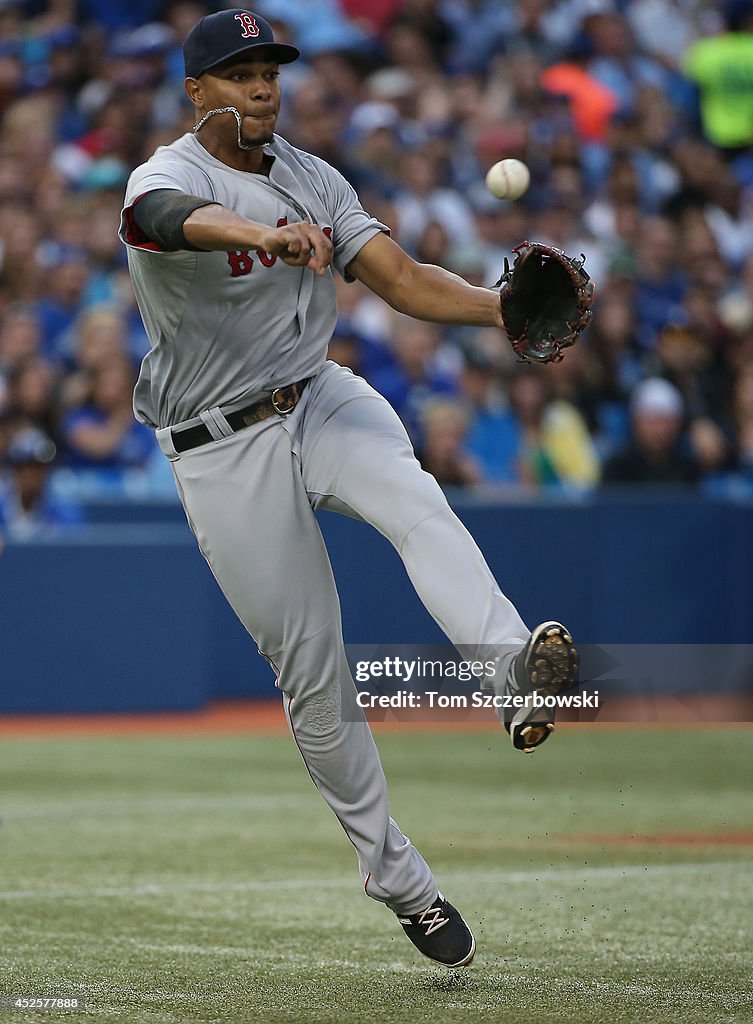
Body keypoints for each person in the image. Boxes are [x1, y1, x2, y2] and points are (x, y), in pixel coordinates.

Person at [119, 9, 579, 970]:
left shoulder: (313, 176)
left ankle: (509, 676)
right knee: (314, 676)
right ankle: (399, 881)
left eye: (270, 70)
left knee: (419, 504)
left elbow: (401, 280)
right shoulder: (167, 175)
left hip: (318, 397)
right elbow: (165, 224)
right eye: (239, 73)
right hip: (218, 445)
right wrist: (259, 232)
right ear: (197, 90)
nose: (262, 87)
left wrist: (496, 309)